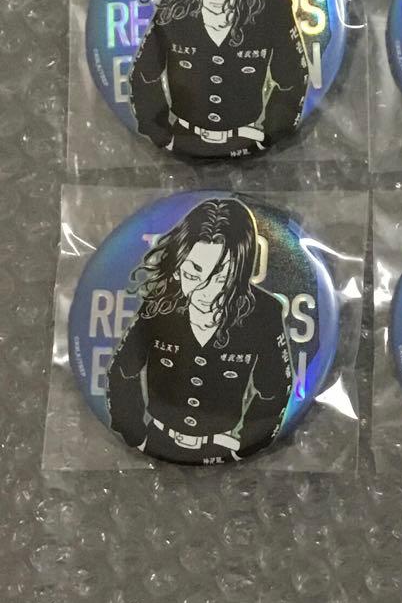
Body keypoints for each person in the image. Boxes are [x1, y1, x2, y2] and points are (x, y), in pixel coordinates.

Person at [106, 197, 294, 464]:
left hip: (226, 449)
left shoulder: (263, 312)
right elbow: (122, 370)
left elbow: (275, 388)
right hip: (156, 440)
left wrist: (245, 446)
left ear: (240, 273)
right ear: (178, 265)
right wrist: (135, 435)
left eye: (222, 278)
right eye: (194, 274)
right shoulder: (159, 304)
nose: (206, 292)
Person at [130, 0, 309, 158]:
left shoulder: (274, 9)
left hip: (251, 139)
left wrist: (269, 136)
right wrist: (162, 136)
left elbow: (293, 79)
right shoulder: (172, 11)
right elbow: (143, 75)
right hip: (182, 138)